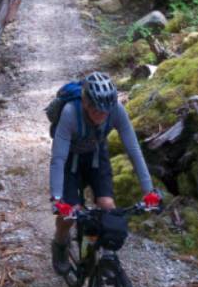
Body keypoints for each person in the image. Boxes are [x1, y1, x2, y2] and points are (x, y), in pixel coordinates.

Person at [49, 72, 161, 275]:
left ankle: (107, 256)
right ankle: (60, 244)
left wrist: (149, 191)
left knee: (108, 206)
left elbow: (134, 150)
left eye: (106, 112)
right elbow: (58, 160)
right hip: (70, 161)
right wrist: (57, 199)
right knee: (70, 214)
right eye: (96, 111)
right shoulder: (70, 113)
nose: (102, 116)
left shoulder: (116, 110)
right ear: (85, 102)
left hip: (96, 156)